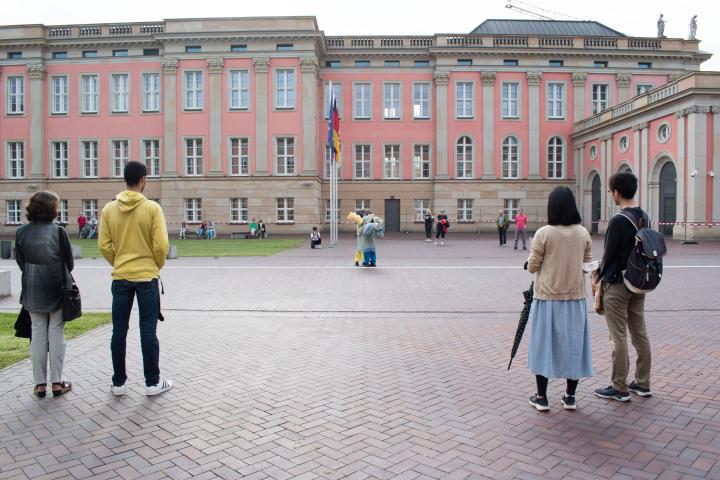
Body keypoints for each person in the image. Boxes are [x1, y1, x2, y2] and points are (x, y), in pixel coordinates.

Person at [99, 161, 172, 397]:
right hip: (146, 276)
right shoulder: (152, 208)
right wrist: (155, 265)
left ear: (125, 179)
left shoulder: (109, 209)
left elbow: (104, 245)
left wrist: (118, 261)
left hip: (121, 276)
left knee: (118, 330)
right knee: (148, 330)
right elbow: (161, 245)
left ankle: (118, 383)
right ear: (143, 180)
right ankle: (152, 382)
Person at [527, 186, 593, 411]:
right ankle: (570, 396)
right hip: (575, 298)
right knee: (574, 346)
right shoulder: (582, 232)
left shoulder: (544, 233)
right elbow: (587, 265)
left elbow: (533, 265)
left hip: (547, 297)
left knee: (543, 346)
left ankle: (542, 397)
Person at [594, 172, 652, 402]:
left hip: (618, 284)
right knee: (640, 332)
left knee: (617, 335)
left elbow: (608, 256)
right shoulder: (644, 217)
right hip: (639, 281)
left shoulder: (618, 220)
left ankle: (619, 387)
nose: (611, 195)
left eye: (611, 191)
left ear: (616, 191)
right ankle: (642, 382)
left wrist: (599, 277)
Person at [15, 191, 74, 398]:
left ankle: (39, 384)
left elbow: (21, 261)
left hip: (32, 286)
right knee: (56, 332)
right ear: (52, 209)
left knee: (38, 333)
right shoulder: (58, 232)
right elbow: (69, 263)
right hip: (56, 285)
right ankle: (56, 381)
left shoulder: (21, 232)